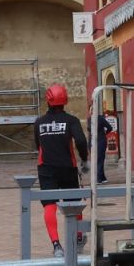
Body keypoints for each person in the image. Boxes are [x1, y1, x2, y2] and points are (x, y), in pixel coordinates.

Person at [34, 83, 89, 254]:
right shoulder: (71, 120)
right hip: (67, 167)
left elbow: (38, 145)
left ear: (48, 100)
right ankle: (78, 237)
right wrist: (84, 159)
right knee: (74, 202)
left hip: (46, 168)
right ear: (65, 100)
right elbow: (80, 141)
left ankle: (56, 245)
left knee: (49, 205)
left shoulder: (39, 122)